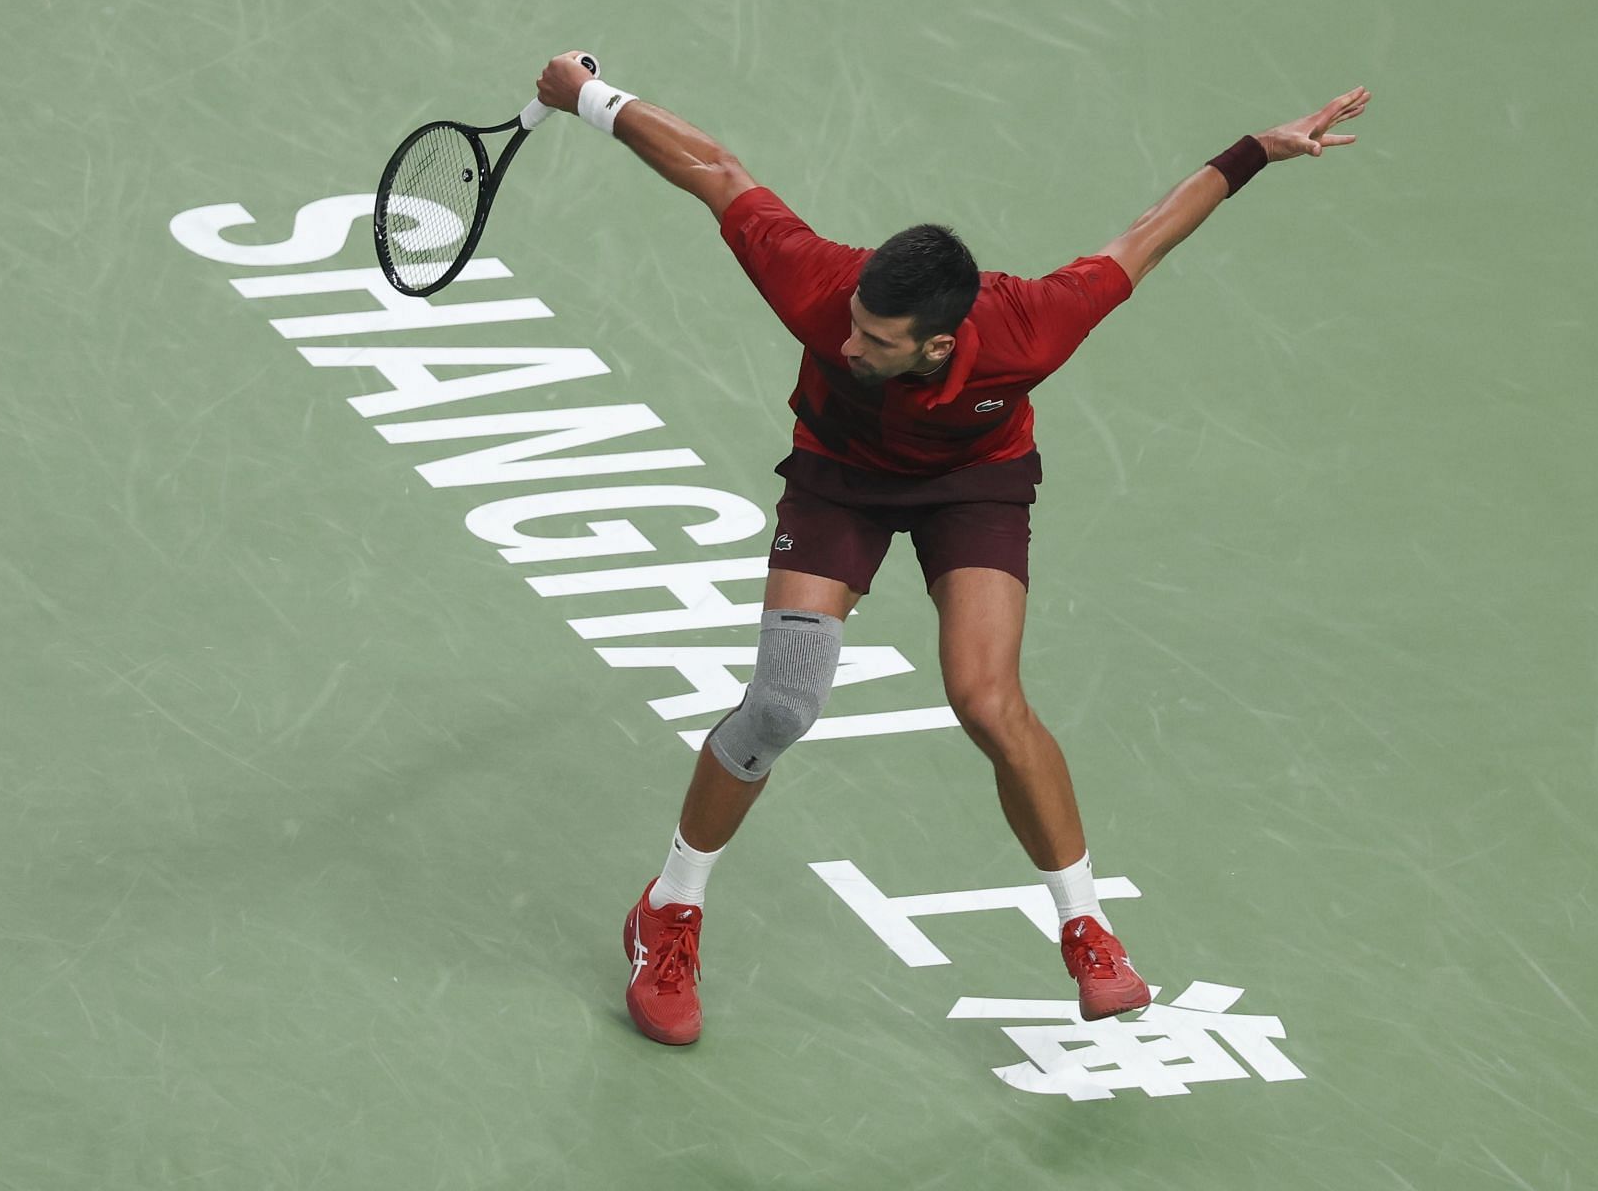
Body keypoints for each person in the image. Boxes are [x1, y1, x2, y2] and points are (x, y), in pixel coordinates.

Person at [534, 52, 1369, 1046]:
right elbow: (716, 169)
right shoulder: (821, 287)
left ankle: (1089, 930)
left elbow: (1149, 235)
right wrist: (585, 95)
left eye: (876, 342)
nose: (848, 345)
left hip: (971, 483)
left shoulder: (1033, 326)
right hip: (839, 473)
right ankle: (668, 910)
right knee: (782, 702)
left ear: (937, 345)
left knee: (988, 699)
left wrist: (1256, 154)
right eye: (852, 326)